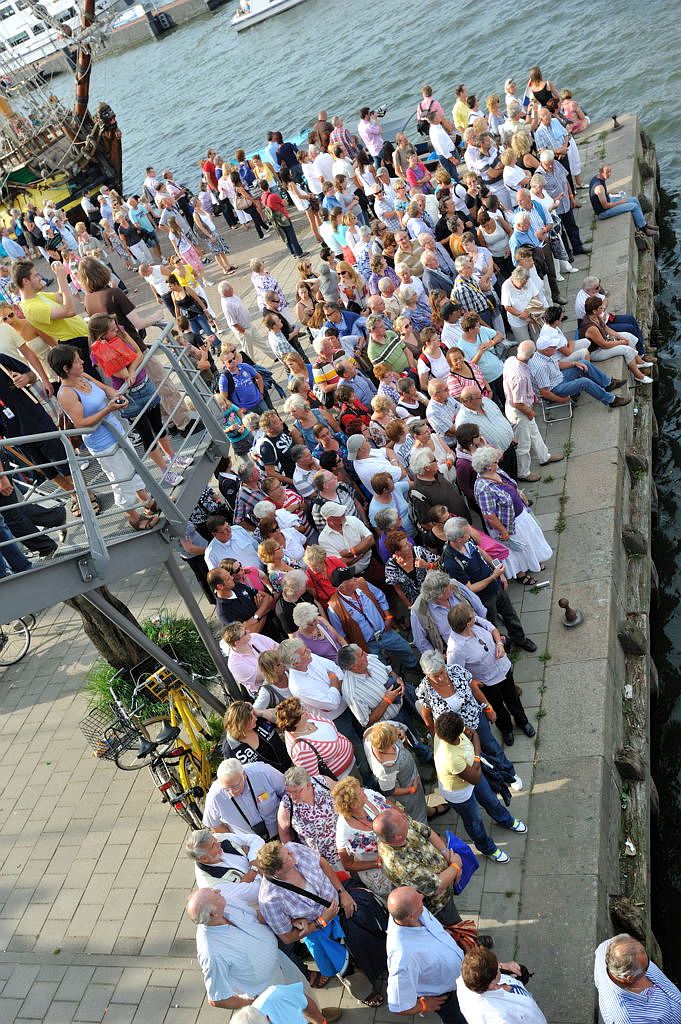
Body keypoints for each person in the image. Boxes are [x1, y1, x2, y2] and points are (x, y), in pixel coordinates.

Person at [257, 839, 387, 1007]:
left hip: (342, 905)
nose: (291, 852)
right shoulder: (269, 900)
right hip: (321, 933)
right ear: (277, 871)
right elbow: (288, 938)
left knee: (368, 937)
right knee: (347, 966)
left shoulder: (292, 847)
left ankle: (381, 963)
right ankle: (364, 992)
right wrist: (321, 922)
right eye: (287, 856)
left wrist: (342, 892)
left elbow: (321, 862)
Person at [47, 346, 161, 531]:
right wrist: (108, 410)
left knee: (133, 468)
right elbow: (81, 422)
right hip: (103, 443)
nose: (82, 362)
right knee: (121, 478)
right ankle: (132, 516)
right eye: (77, 361)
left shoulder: (82, 377)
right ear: (66, 368)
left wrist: (115, 395)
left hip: (117, 432)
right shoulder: (66, 393)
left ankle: (147, 501)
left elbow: (105, 388)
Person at [186, 887, 320, 1012]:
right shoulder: (211, 953)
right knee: (290, 1015)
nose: (218, 890)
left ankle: (319, 1017)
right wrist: (253, 1002)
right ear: (214, 914)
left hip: (280, 961)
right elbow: (217, 999)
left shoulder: (226, 902)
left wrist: (288, 921)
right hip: (265, 990)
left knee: (305, 997)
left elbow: (256, 916)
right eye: (215, 894)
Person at [417, 649, 520, 784]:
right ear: (426, 674)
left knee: (492, 747)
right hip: (456, 733)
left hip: (476, 720)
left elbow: (474, 688)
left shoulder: (456, 671)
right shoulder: (425, 690)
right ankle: (494, 780)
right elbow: (426, 716)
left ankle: (510, 773)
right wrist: (438, 734)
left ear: (444, 665)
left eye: (442, 672)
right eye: (434, 676)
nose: (440, 678)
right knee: (473, 759)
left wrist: (488, 708)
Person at [434, 712, 525, 863]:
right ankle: (488, 848)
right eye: (462, 726)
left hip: (472, 774)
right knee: (474, 822)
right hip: (460, 793)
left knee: (491, 800)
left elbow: (474, 733)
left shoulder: (443, 731)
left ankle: (506, 820)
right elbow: (475, 778)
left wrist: (475, 762)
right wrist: (477, 756)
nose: (465, 727)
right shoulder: (450, 758)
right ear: (455, 735)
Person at [442, 518, 537, 651]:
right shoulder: (451, 562)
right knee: (492, 624)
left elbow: (482, 553)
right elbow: (470, 588)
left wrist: (499, 571)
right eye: (467, 533)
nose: (470, 535)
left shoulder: (467, 541)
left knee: (510, 614)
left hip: (496, 585)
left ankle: (520, 639)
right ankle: (502, 645)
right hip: (483, 598)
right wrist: (493, 576)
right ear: (458, 540)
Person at [447, 601, 534, 745]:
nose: (475, 615)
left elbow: (492, 628)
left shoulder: (475, 622)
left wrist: (499, 643)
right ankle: (506, 729)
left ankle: (522, 722)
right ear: (467, 624)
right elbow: (457, 674)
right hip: (488, 681)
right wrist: (473, 682)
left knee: (513, 698)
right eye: (472, 616)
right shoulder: (456, 649)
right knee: (498, 706)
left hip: (503, 668)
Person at [387, 886, 467, 1024]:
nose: (422, 897)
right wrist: (424, 1005)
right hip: (448, 996)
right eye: (419, 901)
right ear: (411, 916)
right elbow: (398, 1005)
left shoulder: (410, 912)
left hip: (462, 975)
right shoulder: (403, 956)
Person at [472, 446, 552, 585]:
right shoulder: (482, 488)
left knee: (529, 541)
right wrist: (503, 531)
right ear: (488, 467)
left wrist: (521, 496)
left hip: (520, 516)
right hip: (508, 525)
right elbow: (489, 515)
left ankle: (533, 562)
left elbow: (511, 485)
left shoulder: (497, 471)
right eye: (495, 462)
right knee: (516, 550)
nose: (498, 462)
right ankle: (520, 574)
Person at [373, 808, 463, 925]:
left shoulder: (398, 825)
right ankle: (468, 941)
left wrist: (446, 854)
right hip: (439, 903)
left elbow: (427, 832)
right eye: (403, 819)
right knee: (454, 926)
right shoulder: (401, 865)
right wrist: (456, 866)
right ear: (399, 836)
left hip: (447, 880)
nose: (406, 817)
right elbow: (436, 886)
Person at [327, 566, 419, 674]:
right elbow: (341, 635)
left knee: (405, 650)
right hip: (368, 645)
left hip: (385, 632)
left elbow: (380, 596)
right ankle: (394, 682)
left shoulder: (362, 584)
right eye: (351, 579)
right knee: (380, 668)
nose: (356, 579)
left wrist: (388, 617)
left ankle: (414, 668)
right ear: (342, 587)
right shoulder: (334, 607)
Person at [503, 341, 563, 481]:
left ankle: (544, 456)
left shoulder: (511, 360)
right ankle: (523, 473)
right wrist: (529, 412)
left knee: (534, 432)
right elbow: (517, 402)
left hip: (521, 405)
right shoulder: (520, 377)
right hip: (519, 411)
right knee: (524, 444)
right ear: (532, 356)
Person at [594, 933, 681, 1024]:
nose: (649, 964)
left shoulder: (606, 947)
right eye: (646, 968)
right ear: (629, 978)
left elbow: (601, 949)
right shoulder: (630, 1019)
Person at [530, 332, 630, 409]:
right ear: (546, 350)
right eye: (553, 347)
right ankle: (611, 400)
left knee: (583, 363)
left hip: (558, 378)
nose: (556, 349)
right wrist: (562, 400)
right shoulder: (540, 367)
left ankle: (608, 383)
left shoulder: (542, 354)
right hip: (555, 388)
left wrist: (574, 363)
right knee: (584, 382)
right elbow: (545, 393)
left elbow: (557, 365)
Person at [457, 947, 547, 1024]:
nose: (500, 968)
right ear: (491, 983)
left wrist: (503, 966)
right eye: (498, 969)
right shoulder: (499, 1018)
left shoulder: (467, 976)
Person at [202, 758, 286, 839]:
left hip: (282, 831)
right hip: (250, 846)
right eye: (227, 789)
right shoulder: (214, 796)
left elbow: (287, 790)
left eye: (235, 786)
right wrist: (237, 844)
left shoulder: (262, 771)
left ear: (244, 775)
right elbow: (215, 825)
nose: (232, 792)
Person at [275, 697, 355, 780]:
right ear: (294, 723)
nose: (306, 712)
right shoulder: (302, 750)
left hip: (351, 760)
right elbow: (316, 779)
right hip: (344, 777)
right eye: (302, 713)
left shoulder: (308, 718)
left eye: (302, 707)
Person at [410, 569, 487, 655]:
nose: (451, 587)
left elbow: (478, 606)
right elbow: (421, 642)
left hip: (480, 635)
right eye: (448, 589)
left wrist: (487, 627)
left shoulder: (452, 584)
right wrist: (440, 657)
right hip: (458, 651)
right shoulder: (418, 610)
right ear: (438, 596)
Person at [580, 296, 653, 384]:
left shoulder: (596, 317)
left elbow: (607, 329)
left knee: (628, 336)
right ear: (594, 311)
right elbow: (604, 345)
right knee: (626, 350)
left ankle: (638, 361)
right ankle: (638, 376)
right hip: (596, 352)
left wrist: (621, 337)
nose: (603, 308)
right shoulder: (591, 327)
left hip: (605, 341)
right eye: (600, 308)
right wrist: (620, 342)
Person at [185, 827, 264, 895]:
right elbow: (255, 891)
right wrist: (256, 865)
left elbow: (255, 839)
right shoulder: (212, 885)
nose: (219, 843)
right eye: (213, 845)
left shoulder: (216, 839)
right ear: (204, 859)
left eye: (215, 839)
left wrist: (252, 860)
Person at [589, 164, 659, 237]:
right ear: (601, 172)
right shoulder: (599, 188)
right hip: (603, 212)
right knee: (634, 206)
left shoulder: (597, 178)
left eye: (610, 171)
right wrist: (621, 202)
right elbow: (605, 206)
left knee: (634, 199)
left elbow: (601, 195)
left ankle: (644, 224)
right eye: (607, 172)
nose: (609, 174)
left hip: (608, 201)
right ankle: (644, 229)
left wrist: (611, 193)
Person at [221, 701, 290, 772]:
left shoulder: (259, 721)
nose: (255, 718)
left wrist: (261, 712)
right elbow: (236, 773)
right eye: (251, 718)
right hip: (273, 780)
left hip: (291, 764)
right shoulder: (230, 748)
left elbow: (284, 719)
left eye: (253, 714)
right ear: (241, 724)